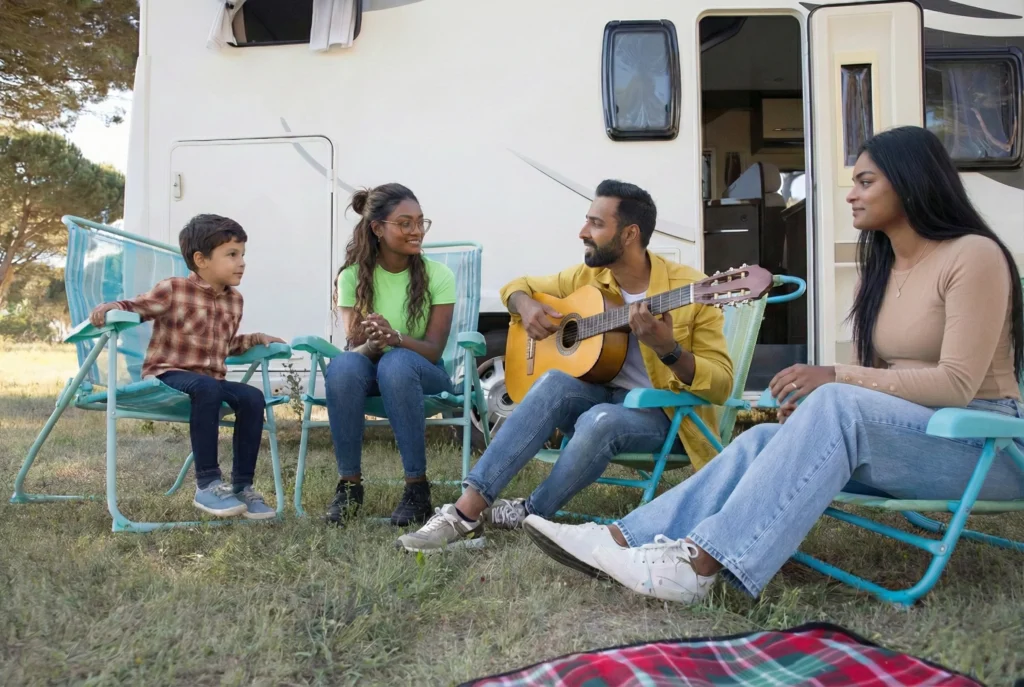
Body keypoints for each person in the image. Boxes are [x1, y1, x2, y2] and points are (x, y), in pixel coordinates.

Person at [521, 125, 1024, 604]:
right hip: (913, 441)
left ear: (914, 184)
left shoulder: (972, 255)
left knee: (835, 403)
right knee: (761, 439)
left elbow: (957, 385)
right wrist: (808, 416)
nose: (850, 194)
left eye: (866, 182)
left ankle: (695, 567)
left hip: (985, 446)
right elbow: (884, 385)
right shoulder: (886, 268)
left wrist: (833, 379)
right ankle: (619, 538)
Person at [398, 179, 733, 553]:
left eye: (596, 224)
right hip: (603, 394)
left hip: (667, 415)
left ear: (629, 234)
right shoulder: (588, 278)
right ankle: (464, 514)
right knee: (556, 382)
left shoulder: (693, 289)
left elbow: (721, 385)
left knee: (600, 419)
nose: (582, 232)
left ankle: (532, 511)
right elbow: (516, 285)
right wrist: (526, 306)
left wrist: (668, 349)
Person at [89, 214, 285, 519]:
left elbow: (225, 344)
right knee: (206, 386)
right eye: (232, 255)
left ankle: (242, 487)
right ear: (201, 259)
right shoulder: (174, 289)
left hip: (208, 381)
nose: (242, 262)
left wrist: (256, 339)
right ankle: (207, 484)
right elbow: (139, 306)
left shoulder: (235, 301)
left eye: (243, 254)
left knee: (251, 397)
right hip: (168, 374)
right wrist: (114, 307)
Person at [324, 183, 457, 527]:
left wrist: (396, 339)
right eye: (405, 223)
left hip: (425, 372)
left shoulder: (438, 276)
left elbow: (433, 350)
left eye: (420, 222)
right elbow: (356, 348)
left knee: (397, 363)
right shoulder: (352, 277)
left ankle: (417, 488)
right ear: (377, 229)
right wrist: (374, 339)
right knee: (343, 366)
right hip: (371, 369)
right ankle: (349, 486)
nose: (416, 231)